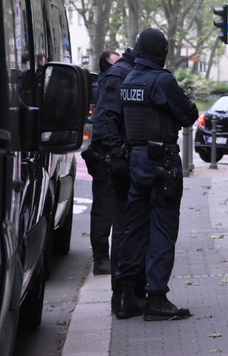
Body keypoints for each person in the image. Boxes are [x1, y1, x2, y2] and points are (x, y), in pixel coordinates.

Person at [115, 28, 198, 321]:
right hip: (162, 162)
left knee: (134, 229)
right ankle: (157, 299)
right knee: (162, 231)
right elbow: (189, 114)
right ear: (161, 52)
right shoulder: (161, 80)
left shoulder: (128, 80)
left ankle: (125, 296)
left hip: (136, 160)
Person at [89, 47, 142, 312]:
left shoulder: (125, 75)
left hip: (120, 159)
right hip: (109, 160)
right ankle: (104, 264)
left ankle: (127, 292)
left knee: (125, 224)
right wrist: (116, 154)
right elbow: (104, 121)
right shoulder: (114, 78)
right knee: (108, 215)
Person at [84, 50, 121, 276]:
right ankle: (100, 259)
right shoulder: (101, 88)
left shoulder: (106, 85)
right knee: (104, 211)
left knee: (111, 210)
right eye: (115, 64)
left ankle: (106, 258)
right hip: (104, 157)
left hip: (107, 155)